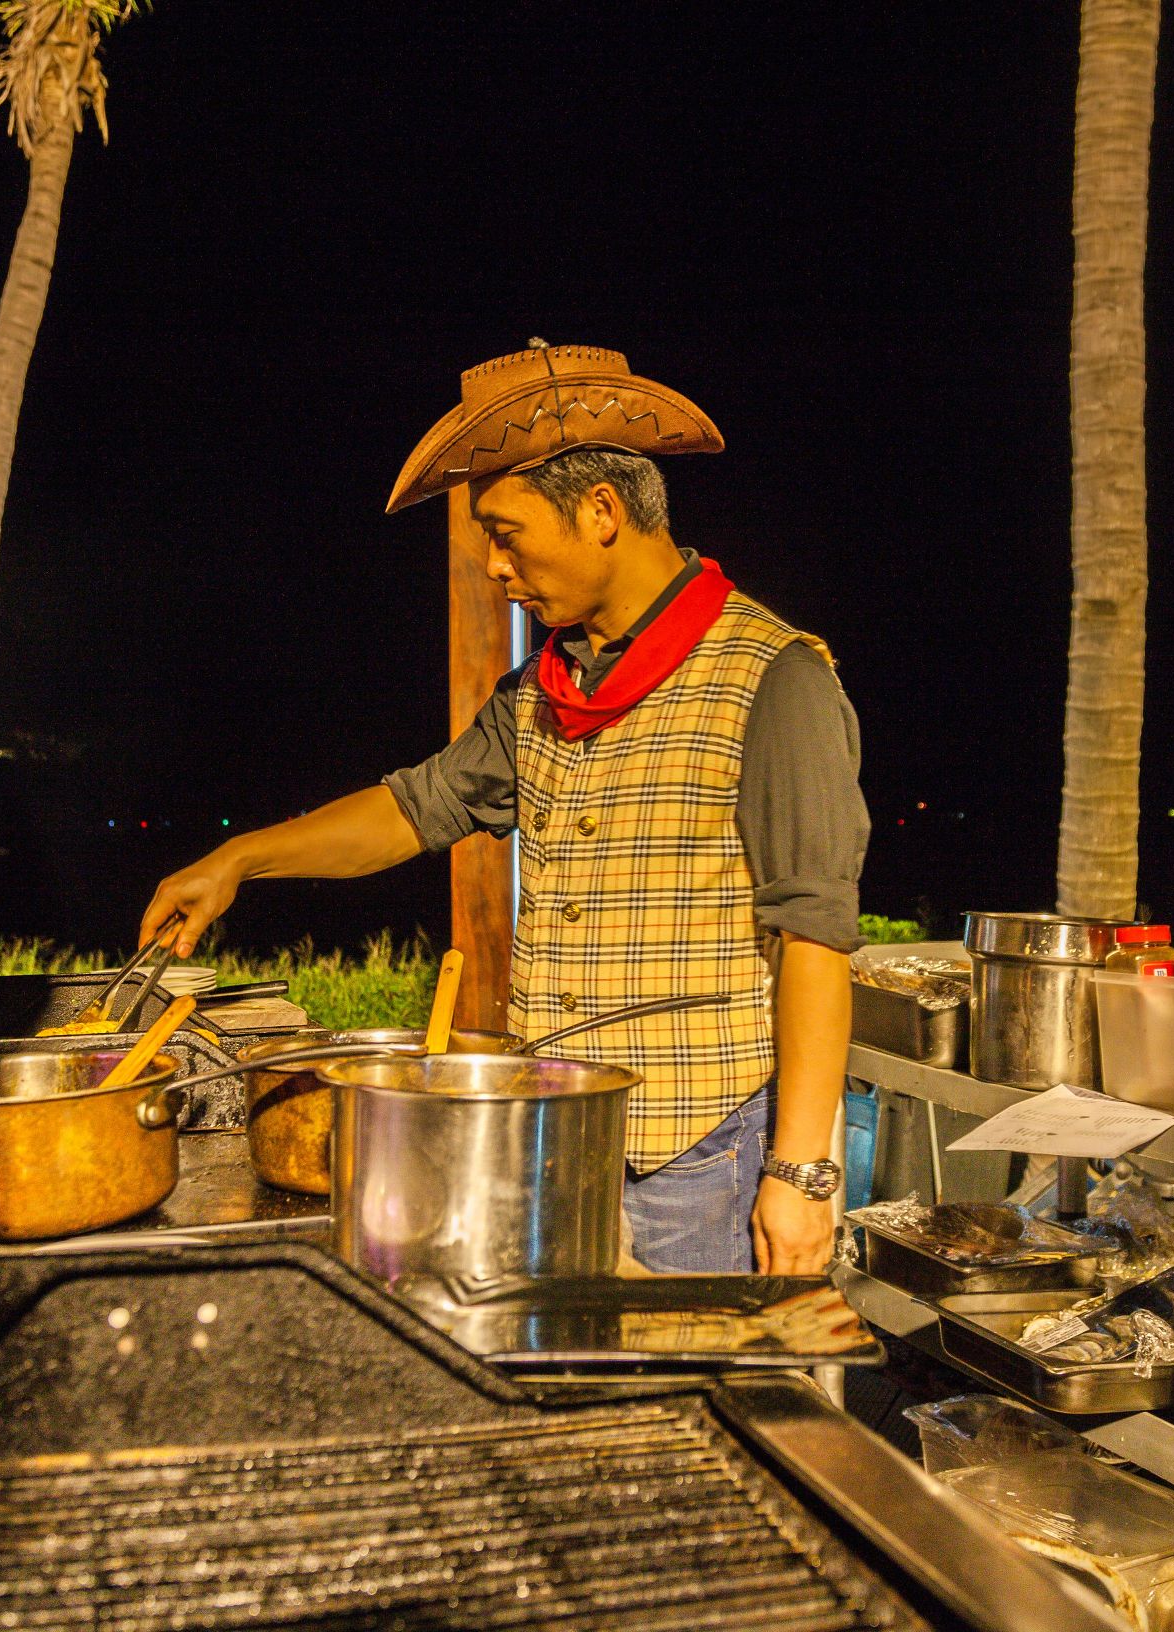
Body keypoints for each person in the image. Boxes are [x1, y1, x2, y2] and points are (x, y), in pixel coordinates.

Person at [143, 342, 869, 1274]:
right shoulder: (542, 689)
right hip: (558, 1136)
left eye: (506, 530)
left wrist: (802, 1175)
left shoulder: (775, 676)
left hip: (700, 1158)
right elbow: (413, 809)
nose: (491, 564)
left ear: (601, 512)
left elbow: (814, 937)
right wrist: (238, 859)